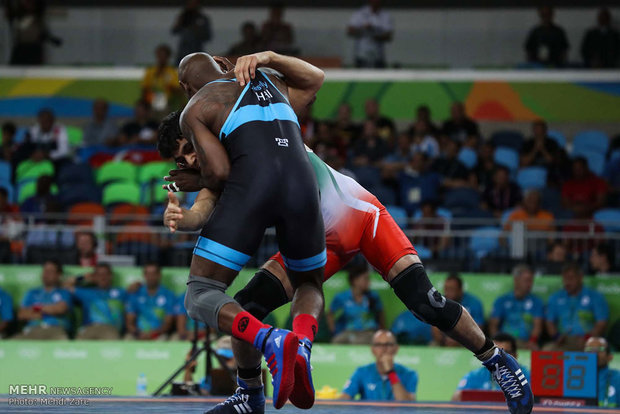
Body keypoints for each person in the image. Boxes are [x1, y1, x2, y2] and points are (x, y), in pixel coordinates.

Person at [159, 109, 533, 414]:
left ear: (201, 131)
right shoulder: (215, 174)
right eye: (182, 159)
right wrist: (181, 217)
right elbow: (203, 208)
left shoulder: (244, 136)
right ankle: (250, 393)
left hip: (361, 217)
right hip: (315, 237)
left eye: (190, 148)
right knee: (246, 307)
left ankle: (498, 360)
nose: (190, 160)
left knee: (426, 303)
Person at [173, 51, 328, 411]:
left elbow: (221, 174)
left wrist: (195, 179)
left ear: (184, 86)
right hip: (303, 185)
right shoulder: (270, 78)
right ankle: (300, 347)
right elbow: (315, 78)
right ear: (224, 63)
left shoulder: (196, 106)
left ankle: (270, 340)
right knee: (308, 283)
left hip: (254, 187)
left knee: (201, 292)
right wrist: (271, 56)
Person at [545, 263, 609, 351]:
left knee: (598, 351)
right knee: (547, 350)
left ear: (580, 277)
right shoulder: (555, 297)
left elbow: (601, 323)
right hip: (565, 340)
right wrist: (556, 336)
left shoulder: (595, 297)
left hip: (589, 340)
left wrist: (588, 338)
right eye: (565, 279)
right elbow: (549, 322)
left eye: (571, 278)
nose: (567, 282)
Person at [340, 330, 417, 401]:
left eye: (388, 344)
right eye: (378, 345)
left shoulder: (409, 374)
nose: (383, 349)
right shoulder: (361, 372)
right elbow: (344, 399)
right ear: (372, 349)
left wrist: (391, 372)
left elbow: (407, 406)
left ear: (396, 349)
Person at [452, 333, 530, 401]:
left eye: (504, 353)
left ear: (515, 356)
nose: (499, 357)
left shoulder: (528, 376)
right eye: (495, 353)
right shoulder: (476, 375)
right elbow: (456, 398)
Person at [65, 263, 126, 340]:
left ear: (111, 276)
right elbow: (65, 286)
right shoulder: (86, 292)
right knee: (77, 347)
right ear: (94, 277)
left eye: (105, 274)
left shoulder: (121, 292)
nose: (103, 277)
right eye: (99, 274)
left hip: (110, 329)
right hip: (89, 328)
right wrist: (82, 278)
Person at [489, 264, 544, 350]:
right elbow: (493, 325)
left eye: (531, 281)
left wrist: (532, 341)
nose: (530, 284)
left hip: (525, 342)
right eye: (526, 280)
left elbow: (538, 326)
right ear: (516, 280)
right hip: (504, 342)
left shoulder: (537, 302)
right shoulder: (502, 300)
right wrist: (497, 342)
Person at [14, 260, 71, 340]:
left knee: (63, 344)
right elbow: (21, 314)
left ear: (58, 275)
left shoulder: (64, 292)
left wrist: (36, 309)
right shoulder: (32, 292)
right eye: (45, 271)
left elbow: (60, 309)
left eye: (50, 271)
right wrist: (50, 309)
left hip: (55, 330)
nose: (46, 274)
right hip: (32, 330)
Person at [327, 266, 385, 344]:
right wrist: (334, 331)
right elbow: (330, 313)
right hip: (348, 332)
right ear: (355, 280)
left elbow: (380, 314)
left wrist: (382, 332)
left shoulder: (373, 297)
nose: (369, 282)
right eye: (366, 279)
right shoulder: (341, 297)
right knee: (336, 341)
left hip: (369, 332)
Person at [125, 263, 175, 340]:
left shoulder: (168, 295)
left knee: (163, 340)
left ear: (159, 275)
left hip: (159, 334)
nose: (150, 277)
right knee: (128, 339)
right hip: (138, 334)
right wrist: (138, 333)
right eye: (148, 274)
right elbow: (130, 322)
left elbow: (168, 323)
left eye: (153, 274)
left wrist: (153, 334)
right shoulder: (135, 293)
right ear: (144, 275)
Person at [432, 273, 485, 347]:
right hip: (445, 341)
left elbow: (478, 328)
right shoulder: (439, 302)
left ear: (460, 289)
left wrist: (459, 341)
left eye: (452, 289)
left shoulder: (474, 302)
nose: (448, 292)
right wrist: (443, 341)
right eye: (446, 289)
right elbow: (435, 326)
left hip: (468, 341)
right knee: (432, 345)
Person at [5, 0, 61, 65]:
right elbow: (10, 11)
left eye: (30, 3)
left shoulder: (38, 18)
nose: (28, 4)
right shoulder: (17, 17)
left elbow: (43, 34)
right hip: (20, 48)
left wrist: (52, 39)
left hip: (34, 49)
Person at [347, 0, 393, 68]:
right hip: (361, 53)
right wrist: (363, 29)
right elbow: (350, 31)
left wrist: (375, 33)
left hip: (378, 55)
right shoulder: (360, 13)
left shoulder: (385, 15)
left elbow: (388, 36)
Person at [142, 44, 182, 115]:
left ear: (168, 57)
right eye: (159, 55)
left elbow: (178, 90)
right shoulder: (150, 71)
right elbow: (144, 88)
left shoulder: (172, 72)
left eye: (164, 56)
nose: (161, 58)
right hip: (151, 104)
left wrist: (169, 86)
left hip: (166, 104)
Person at [171, 0, 211, 65]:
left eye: (194, 4)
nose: (192, 6)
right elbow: (174, 31)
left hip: (197, 51)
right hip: (182, 52)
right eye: (189, 4)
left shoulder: (202, 18)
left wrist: (197, 30)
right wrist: (179, 22)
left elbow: (207, 36)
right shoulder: (183, 17)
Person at [584, 337, 620, 408]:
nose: (594, 353)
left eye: (600, 349)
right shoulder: (571, 380)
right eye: (589, 349)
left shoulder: (617, 379)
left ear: (610, 356)